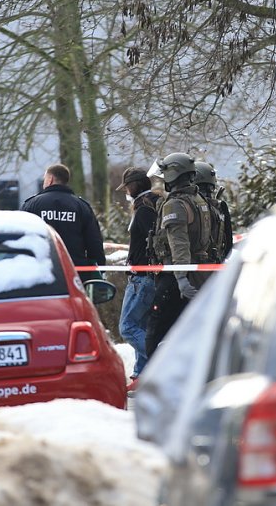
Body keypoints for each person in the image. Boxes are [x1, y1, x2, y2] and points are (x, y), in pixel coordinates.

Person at [145, 152, 211, 357]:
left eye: (165, 173)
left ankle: (152, 381)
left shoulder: (175, 204)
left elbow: (179, 243)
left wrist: (181, 277)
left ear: (174, 174)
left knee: (155, 332)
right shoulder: (198, 199)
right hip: (199, 273)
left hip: (176, 276)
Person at [115, 167, 159, 392]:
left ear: (135, 186)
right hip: (147, 276)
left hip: (142, 278)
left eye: (127, 187)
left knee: (128, 327)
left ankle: (162, 363)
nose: (126, 192)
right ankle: (141, 375)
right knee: (141, 325)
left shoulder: (144, 210)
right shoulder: (153, 204)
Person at [21, 164, 106, 279]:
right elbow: (94, 241)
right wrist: (99, 269)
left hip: (40, 270)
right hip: (75, 272)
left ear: (50, 179)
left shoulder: (31, 205)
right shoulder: (82, 206)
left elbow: (21, 237)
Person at [193, 161, 233, 262]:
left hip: (194, 267)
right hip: (217, 264)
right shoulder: (220, 206)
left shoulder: (189, 205)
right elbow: (229, 243)